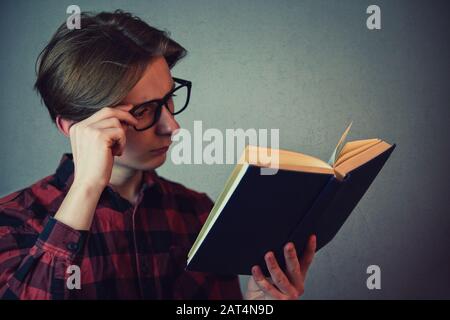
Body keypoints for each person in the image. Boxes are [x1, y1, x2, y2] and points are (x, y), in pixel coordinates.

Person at [0, 10, 316, 300]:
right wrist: (86, 187)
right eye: (144, 110)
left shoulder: (197, 213)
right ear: (73, 127)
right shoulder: (13, 223)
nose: (172, 126)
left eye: (169, 99)